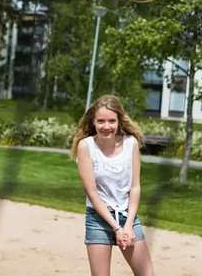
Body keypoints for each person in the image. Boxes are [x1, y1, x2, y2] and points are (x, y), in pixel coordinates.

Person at [71, 94, 155, 276]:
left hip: (128, 216)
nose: (106, 126)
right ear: (93, 122)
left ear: (119, 121)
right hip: (98, 220)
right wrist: (115, 227)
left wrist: (128, 225)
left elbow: (135, 187)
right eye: (101, 121)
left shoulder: (130, 143)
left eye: (111, 121)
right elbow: (92, 192)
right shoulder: (86, 146)